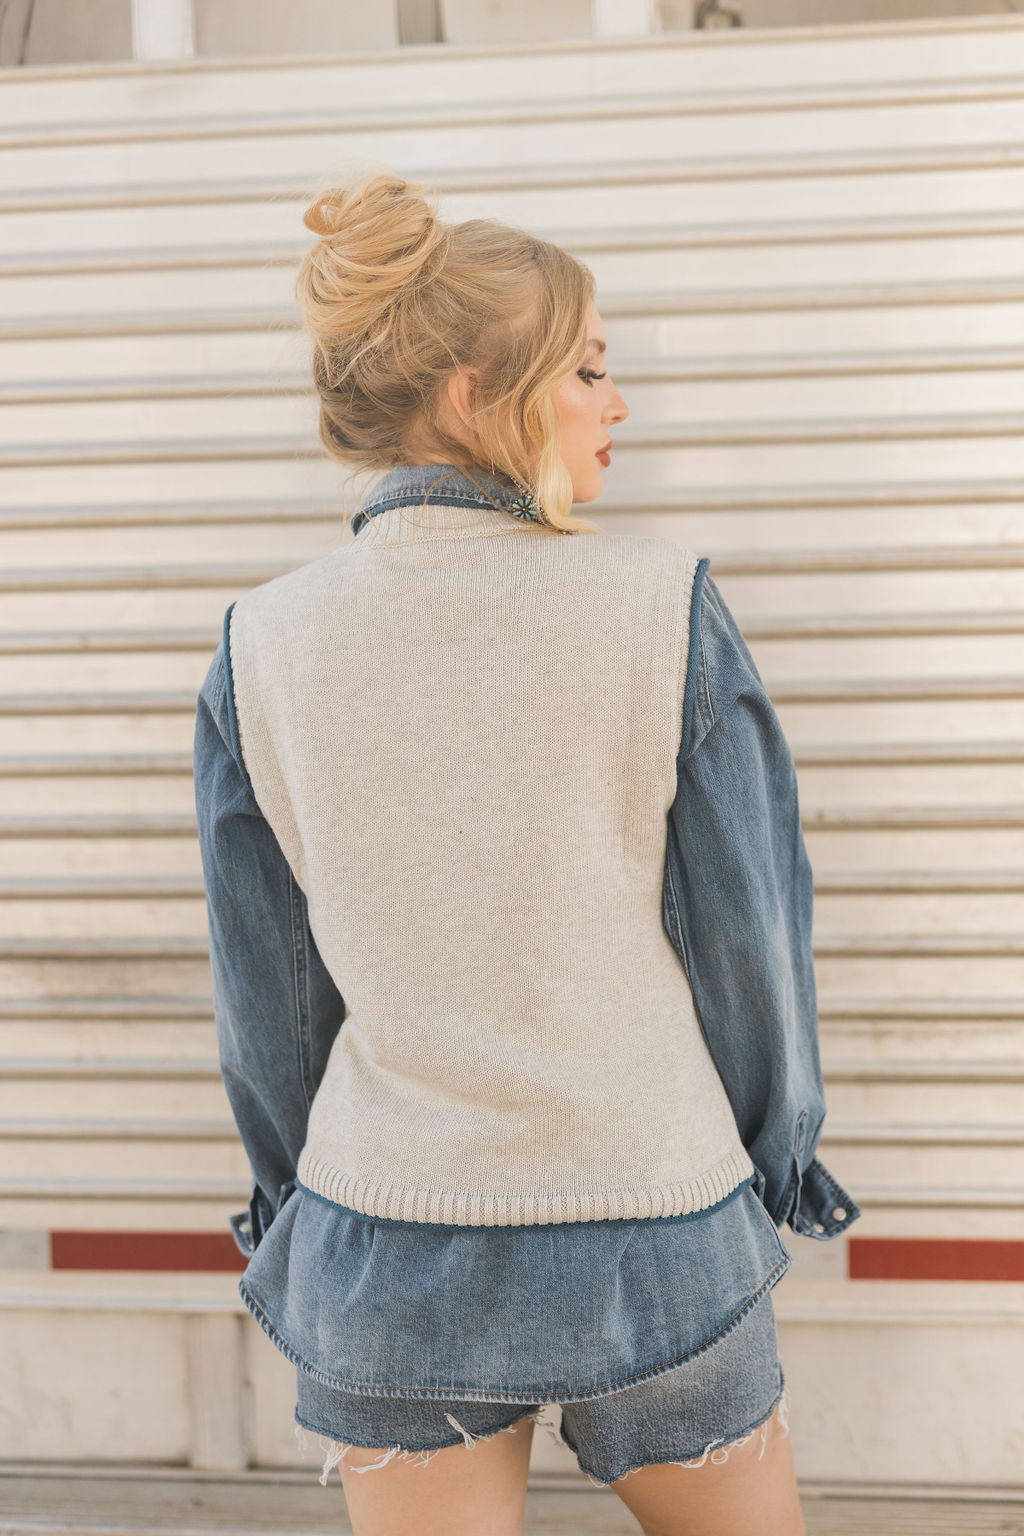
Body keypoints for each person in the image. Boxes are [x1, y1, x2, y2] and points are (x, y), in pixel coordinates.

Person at [193, 170, 860, 1536]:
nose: (619, 407)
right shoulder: (659, 606)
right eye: (592, 371)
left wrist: (289, 1199)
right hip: (653, 1209)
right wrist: (774, 1156)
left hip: (390, 1230)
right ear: (476, 389)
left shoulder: (263, 642)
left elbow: (268, 999)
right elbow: (750, 942)